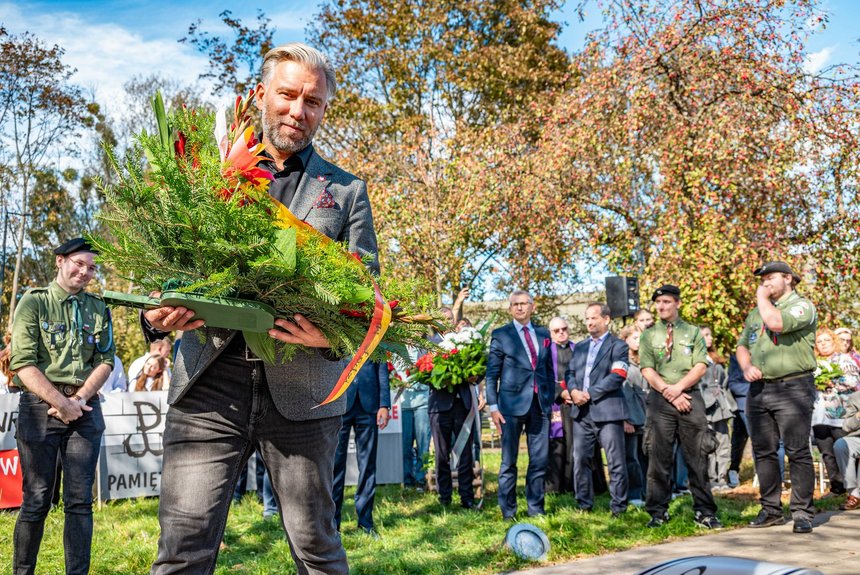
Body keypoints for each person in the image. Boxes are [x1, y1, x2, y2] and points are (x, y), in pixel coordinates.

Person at [143, 43, 378, 574]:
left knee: (317, 548)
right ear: (262, 95)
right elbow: (163, 274)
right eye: (288, 94)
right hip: (208, 387)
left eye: (313, 101)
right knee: (182, 551)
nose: (299, 110)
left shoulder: (345, 192)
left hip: (304, 395)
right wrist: (154, 318)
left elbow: (370, 298)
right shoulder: (204, 174)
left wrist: (332, 338)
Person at [9, 237, 115, 574]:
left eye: (92, 268)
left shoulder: (98, 308)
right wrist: (60, 402)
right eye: (79, 263)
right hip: (41, 408)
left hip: (85, 409)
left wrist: (79, 399)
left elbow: (106, 360)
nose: (85, 272)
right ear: (60, 261)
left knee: (80, 503)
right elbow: (22, 363)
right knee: (36, 500)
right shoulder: (33, 302)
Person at [737, 261, 817, 534]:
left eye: (770, 278)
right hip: (760, 389)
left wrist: (761, 297)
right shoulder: (754, 314)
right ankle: (771, 510)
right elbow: (742, 346)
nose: (765, 283)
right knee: (764, 451)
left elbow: (777, 323)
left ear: (788, 278)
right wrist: (747, 367)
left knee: (796, 450)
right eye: (762, 280)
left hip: (793, 387)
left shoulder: (801, 306)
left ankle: (802, 511)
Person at [640, 284, 721, 529]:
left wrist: (679, 389)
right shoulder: (649, 334)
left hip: (689, 396)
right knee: (658, 458)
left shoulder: (693, 332)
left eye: (666, 302)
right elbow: (647, 369)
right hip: (660, 399)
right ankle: (658, 512)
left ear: (677, 303)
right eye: (658, 303)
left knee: (698, 457)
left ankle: (705, 512)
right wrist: (669, 391)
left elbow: (700, 366)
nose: (661, 306)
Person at [485, 290, 552, 520]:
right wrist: (493, 407)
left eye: (524, 304)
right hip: (510, 407)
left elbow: (547, 369)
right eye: (515, 304)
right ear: (510, 308)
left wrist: (549, 399)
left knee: (539, 460)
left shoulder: (543, 333)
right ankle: (508, 511)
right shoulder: (501, 335)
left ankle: (536, 508)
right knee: (508, 461)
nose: (520, 308)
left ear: (532, 307)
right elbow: (492, 374)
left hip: (539, 405)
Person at [566, 303, 630, 516]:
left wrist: (589, 393)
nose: (590, 322)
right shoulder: (581, 347)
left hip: (607, 411)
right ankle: (584, 504)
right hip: (581, 413)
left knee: (615, 461)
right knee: (580, 460)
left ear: (606, 319)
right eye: (587, 319)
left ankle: (619, 507)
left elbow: (618, 376)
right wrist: (574, 391)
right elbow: (570, 373)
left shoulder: (618, 346)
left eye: (594, 318)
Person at [332, 361, 390, 535]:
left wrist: (384, 404)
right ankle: (332, 526)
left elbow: (382, 370)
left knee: (367, 466)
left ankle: (366, 524)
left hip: (370, 407)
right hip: (340, 405)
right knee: (335, 467)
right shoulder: (336, 334)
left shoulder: (376, 334)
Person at [811, 327, 860, 497]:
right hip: (819, 415)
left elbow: (854, 381)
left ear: (834, 342)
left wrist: (832, 382)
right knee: (827, 453)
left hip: (840, 415)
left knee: (845, 451)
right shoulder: (812, 362)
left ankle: (854, 491)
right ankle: (837, 488)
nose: (823, 344)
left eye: (827, 340)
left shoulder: (844, 359)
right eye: (820, 341)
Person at [699, 326, 737, 491]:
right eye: (705, 335)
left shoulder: (716, 359)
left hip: (720, 407)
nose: (709, 338)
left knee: (723, 442)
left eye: (709, 335)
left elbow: (724, 383)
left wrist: (728, 404)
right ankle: (711, 478)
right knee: (708, 443)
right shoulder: (696, 360)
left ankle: (721, 478)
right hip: (705, 407)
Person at [544, 316, 575, 494]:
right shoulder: (547, 353)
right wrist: (561, 392)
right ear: (551, 333)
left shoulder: (578, 349)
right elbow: (543, 377)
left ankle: (574, 485)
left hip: (576, 402)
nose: (561, 332)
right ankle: (554, 488)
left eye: (564, 328)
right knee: (558, 444)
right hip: (555, 402)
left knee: (575, 444)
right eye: (557, 330)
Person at [619, 325, 647, 506]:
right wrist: (625, 418)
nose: (638, 341)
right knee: (631, 458)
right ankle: (634, 493)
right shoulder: (622, 362)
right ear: (626, 339)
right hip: (630, 417)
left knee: (646, 456)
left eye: (640, 338)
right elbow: (621, 392)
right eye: (634, 337)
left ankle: (647, 491)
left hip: (646, 414)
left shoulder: (643, 360)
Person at [399, 347, 431, 490]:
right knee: (405, 445)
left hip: (422, 403)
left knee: (422, 443)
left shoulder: (425, 350)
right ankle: (407, 480)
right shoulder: (398, 350)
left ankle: (421, 479)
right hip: (404, 404)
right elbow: (393, 373)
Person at [833, 391, 860, 510]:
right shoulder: (855, 397)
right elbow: (846, 426)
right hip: (858, 438)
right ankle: (854, 495)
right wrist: (858, 416)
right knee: (841, 445)